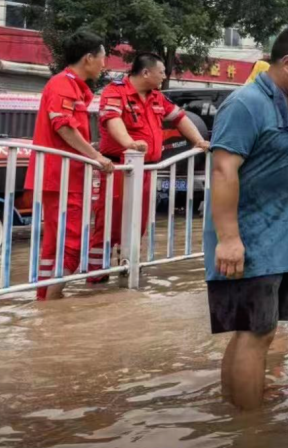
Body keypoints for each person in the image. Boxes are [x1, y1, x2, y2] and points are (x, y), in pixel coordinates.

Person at [204, 24, 288, 411]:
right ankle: (249, 430)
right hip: (248, 238)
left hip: (281, 240)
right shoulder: (246, 104)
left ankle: (234, 408)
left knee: (258, 331)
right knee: (256, 332)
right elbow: (223, 170)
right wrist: (229, 238)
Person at [89, 53, 210, 281]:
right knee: (110, 222)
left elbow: (180, 118)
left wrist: (198, 141)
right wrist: (130, 144)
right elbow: (112, 121)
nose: (165, 76)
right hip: (118, 169)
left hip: (146, 171)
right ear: (146, 72)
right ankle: (96, 277)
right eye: (162, 72)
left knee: (138, 223)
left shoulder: (157, 97)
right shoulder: (115, 92)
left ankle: (129, 269)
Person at [28, 30, 115, 301]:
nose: (104, 64)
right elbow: (64, 127)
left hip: (67, 177)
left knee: (57, 244)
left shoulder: (75, 87)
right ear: (88, 58)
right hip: (61, 177)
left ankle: (46, 303)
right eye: (102, 58)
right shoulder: (63, 85)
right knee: (72, 243)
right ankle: (52, 303)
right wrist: (96, 156)